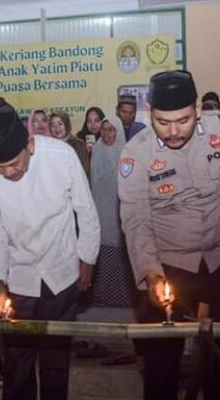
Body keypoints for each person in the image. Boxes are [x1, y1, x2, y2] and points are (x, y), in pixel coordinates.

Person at [118, 70, 220, 400]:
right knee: (161, 361)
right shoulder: (135, 154)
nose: (174, 131)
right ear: (150, 112)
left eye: (182, 120)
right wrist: (150, 273)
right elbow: (135, 219)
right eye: (163, 122)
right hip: (168, 265)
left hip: (219, 257)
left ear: (197, 108)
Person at [0, 101, 100, 400]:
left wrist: (88, 258)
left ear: (29, 144)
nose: (8, 172)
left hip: (61, 267)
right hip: (17, 275)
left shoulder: (61, 156)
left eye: (13, 163)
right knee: (17, 362)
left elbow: (86, 211)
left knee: (56, 360)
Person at [89, 118, 135, 307]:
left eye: (111, 130)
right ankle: (104, 299)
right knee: (104, 258)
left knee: (121, 259)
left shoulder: (127, 153)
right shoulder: (97, 150)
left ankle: (123, 299)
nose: (107, 134)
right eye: (104, 130)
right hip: (101, 214)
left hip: (120, 214)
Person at [50, 111, 90, 179]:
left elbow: (83, 172)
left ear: (67, 124)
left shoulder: (79, 144)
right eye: (53, 125)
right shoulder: (49, 146)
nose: (57, 128)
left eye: (60, 124)